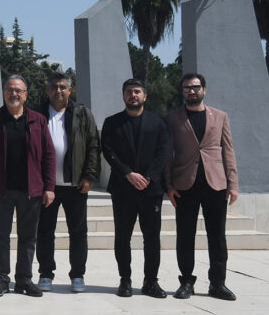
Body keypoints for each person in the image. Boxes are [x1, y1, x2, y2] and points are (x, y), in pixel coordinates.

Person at [165, 73, 239, 301]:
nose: (191, 91)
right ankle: (186, 281)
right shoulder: (173, 119)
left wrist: (233, 183)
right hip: (184, 185)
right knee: (185, 236)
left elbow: (228, 150)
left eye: (195, 87)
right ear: (182, 92)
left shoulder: (220, 116)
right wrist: (169, 186)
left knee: (217, 236)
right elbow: (167, 155)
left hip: (215, 184)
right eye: (187, 88)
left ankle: (218, 283)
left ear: (204, 90)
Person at [0, 75, 55, 298]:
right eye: (10, 90)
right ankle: (1, 279)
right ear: (4, 93)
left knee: (28, 237)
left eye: (18, 90)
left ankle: (24, 279)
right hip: (0, 190)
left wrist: (49, 187)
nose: (14, 94)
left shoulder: (38, 120)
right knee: (0, 236)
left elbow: (49, 155)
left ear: (26, 95)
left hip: (31, 190)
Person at [101, 78, 171, 299]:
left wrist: (148, 176)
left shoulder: (158, 122)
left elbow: (164, 151)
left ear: (145, 96)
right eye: (129, 91)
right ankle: (125, 280)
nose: (133, 95)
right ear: (123, 96)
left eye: (137, 91)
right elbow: (108, 151)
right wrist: (128, 174)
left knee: (152, 238)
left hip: (151, 189)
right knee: (123, 236)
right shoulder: (112, 122)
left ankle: (151, 281)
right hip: (123, 188)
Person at [36, 72, 100, 294]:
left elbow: (93, 145)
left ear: (70, 90)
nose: (58, 91)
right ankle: (45, 273)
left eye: (63, 87)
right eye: (54, 87)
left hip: (76, 185)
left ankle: (78, 275)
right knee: (45, 231)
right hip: (47, 186)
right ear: (48, 90)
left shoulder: (82, 113)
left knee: (78, 232)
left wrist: (89, 176)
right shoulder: (37, 114)